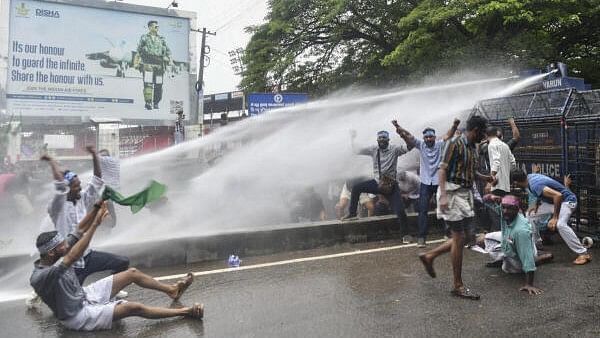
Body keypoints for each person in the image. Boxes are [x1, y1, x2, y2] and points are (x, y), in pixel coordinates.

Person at [30, 202, 203, 331]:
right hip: (77, 316)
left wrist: (96, 208)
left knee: (132, 273)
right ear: (51, 253)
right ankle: (187, 311)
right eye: (62, 245)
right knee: (133, 307)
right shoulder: (41, 277)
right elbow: (74, 254)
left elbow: (77, 231)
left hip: (84, 295)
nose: (66, 245)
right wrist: (96, 224)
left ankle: (172, 290)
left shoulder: (53, 255)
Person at [418, 115, 489, 300]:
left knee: (467, 237)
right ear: (475, 130)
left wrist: (486, 178)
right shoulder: (455, 143)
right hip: (452, 192)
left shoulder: (473, 147)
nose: (484, 136)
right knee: (459, 237)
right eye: (482, 132)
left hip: (465, 194)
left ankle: (430, 256)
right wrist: (442, 195)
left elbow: (471, 172)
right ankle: (458, 285)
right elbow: (442, 169)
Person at [41, 147, 130, 285]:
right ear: (67, 189)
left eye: (79, 185)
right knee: (74, 300)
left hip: (87, 256)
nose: (80, 188)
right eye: (76, 186)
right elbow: (60, 186)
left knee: (123, 262)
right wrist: (52, 162)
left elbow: (97, 180)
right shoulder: (57, 206)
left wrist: (94, 155)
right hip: (70, 264)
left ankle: (110, 290)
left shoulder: (82, 198)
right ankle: (37, 296)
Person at [393, 119, 460, 247]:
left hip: (438, 181)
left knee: (445, 207)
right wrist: (398, 127)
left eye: (431, 137)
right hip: (425, 182)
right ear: (424, 138)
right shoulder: (420, 144)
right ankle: (422, 237)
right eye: (427, 137)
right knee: (422, 210)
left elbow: (449, 135)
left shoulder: (440, 144)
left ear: (434, 137)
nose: (429, 139)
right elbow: (409, 136)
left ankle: (448, 232)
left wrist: (454, 125)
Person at [511, 169, 591, 265]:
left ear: (516, 182)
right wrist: (537, 203)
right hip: (554, 203)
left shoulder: (535, 184)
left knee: (560, 224)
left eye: (513, 183)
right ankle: (536, 244)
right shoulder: (530, 178)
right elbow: (542, 192)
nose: (514, 185)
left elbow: (558, 195)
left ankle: (583, 253)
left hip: (568, 202)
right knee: (530, 215)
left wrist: (555, 218)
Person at [344, 125, 409, 242]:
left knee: (400, 210)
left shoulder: (395, 149)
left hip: (391, 186)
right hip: (377, 183)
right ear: (377, 141)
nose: (382, 142)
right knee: (356, 188)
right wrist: (352, 138)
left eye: (384, 139)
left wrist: (403, 135)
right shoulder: (373, 149)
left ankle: (406, 235)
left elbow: (409, 146)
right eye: (380, 140)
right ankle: (352, 213)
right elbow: (356, 151)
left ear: (388, 140)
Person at [477, 195, 551, 295]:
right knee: (482, 240)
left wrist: (529, 284)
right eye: (503, 207)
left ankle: (537, 260)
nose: (505, 211)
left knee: (508, 269)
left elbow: (527, 257)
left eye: (509, 208)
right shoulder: (505, 213)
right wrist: (492, 197)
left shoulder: (520, 231)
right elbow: (485, 200)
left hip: (521, 255)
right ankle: (506, 257)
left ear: (517, 210)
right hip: (510, 239)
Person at [135, 20, 172, 110]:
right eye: (155, 26)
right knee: (148, 84)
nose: (157, 28)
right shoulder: (144, 38)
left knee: (159, 85)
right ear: (150, 27)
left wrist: (170, 61)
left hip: (159, 65)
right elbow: (139, 51)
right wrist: (136, 63)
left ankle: (156, 103)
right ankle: (148, 103)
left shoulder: (162, 39)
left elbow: (168, 51)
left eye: (158, 26)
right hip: (148, 64)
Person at [98, 149, 120, 229]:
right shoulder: (112, 164)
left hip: (106, 194)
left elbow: (97, 158)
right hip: (110, 193)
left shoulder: (106, 161)